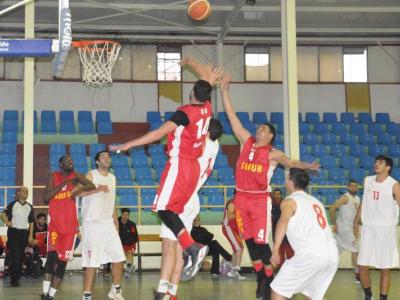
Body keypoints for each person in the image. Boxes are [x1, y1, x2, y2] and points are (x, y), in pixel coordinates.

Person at [110, 66, 223, 300]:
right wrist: (207, 79)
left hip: (182, 170)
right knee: (171, 243)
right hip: (192, 177)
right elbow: (203, 92)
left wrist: (128, 145)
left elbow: (157, 134)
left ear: (192, 93)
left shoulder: (186, 114)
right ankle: (168, 292)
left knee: (163, 210)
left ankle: (193, 248)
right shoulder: (208, 111)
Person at [219, 76, 320, 300]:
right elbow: (233, 118)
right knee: (247, 240)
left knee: (261, 242)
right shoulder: (245, 141)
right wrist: (224, 91)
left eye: (263, 129)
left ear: (270, 135)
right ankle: (262, 278)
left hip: (258, 200)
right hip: (241, 198)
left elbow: (292, 163)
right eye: (259, 128)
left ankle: (267, 278)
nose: (258, 130)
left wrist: (308, 166)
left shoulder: (273, 154)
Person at [157, 118, 223, 299]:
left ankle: (161, 292)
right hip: (192, 199)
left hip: (182, 196)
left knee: (169, 246)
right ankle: (172, 294)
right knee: (177, 249)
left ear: (206, 132)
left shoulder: (201, 145)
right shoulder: (215, 145)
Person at [270, 168, 338, 300]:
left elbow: (283, 222)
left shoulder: (289, 201)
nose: (285, 181)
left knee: (278, 289)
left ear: (291, 181)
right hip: (331, 254)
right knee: (312, 295)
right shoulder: (315, 201)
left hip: (311, 254)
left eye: (287, 178)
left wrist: (275, 249)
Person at [41, 155, 95, 300]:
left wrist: (77, 189)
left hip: (70, 228)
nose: (71, 163)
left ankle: (51, 295)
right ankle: (45, 293)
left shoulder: (76, 175)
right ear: (60, 164)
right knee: (51, 259)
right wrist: (64, 184)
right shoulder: (54, 176)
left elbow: (92, 186)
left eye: (72, 161)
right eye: (67, 161)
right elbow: (46, 198)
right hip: (54, 226)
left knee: (62, 263)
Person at [80, 151, 126, 300]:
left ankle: (115, 290)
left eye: (108, 156)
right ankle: (87, 295)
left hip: (108, 224)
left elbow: (111, 201)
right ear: (97, 161)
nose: (107, 158)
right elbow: (77, 193)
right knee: (92, 262)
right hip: (92, 224)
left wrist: (116, 221)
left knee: (119, 257)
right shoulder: (91, 175)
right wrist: (97, 189)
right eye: (103, 157)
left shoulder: (112, 178)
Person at [353, 155, 400, 300]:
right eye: (375, 162)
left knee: (385, 268)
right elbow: (364, 202)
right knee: (362, 266)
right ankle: (368, 295)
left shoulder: (394, 185)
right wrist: (356, 221)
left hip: (385, 229)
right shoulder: (367, 181)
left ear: (388, 167)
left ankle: (383, 298)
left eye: (380, 162)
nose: (376, 164)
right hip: (368, 228)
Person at [1, 187, 34, 287]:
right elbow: (2, 214)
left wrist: (31, 235)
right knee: (15, 255)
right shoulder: (13, 204)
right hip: (13, 232)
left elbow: (31, 222)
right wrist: (7, 222)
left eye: (27, 192)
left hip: (24, 234)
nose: (25, 193)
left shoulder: (29, 207)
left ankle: (15, 277)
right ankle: (13, 280)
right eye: (23, 191)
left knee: (20, 257)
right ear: (18, 193)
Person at [329, 180, 361, 282]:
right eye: (351, 186)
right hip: (344, 229)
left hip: (350, 229)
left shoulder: (358, 198)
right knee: (355, 250)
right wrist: (334, 224)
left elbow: (357, 216)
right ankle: (357, 274)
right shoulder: (345, 197)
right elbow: (332, 208)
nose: (353, 188)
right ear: (348, 187)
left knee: (335, 251)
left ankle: (322, 270)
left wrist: (358, 226)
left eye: (355, 186)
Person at [222, 199, 245, 279]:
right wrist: (241, 213)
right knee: (240, 248)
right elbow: (229, 216)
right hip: (228, 227)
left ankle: (232, 271)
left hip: (234, 229)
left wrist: (241, 231)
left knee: (237, 249)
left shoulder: (241, 202)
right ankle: (237, 270)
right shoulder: (232, 203)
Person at [271, 188, 294, 266]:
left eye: (278, 194)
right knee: (279, 249)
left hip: (286, 230)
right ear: (273, 195)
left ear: (281, 195)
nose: (277, 195)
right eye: (275, 194)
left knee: (289, 249)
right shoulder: (271, 204)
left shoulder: (285, 203)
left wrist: (276, 217)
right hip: (276, 230)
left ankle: (292, 266)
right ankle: (280, 266)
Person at [118, 208, 139, 279]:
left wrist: (134, 242)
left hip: (129, 243)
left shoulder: (131, 224)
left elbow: (135, 234)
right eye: (124, 214)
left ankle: (128, 272)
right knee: (121, 257)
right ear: (121, 214)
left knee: (129, 256)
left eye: (127, 215)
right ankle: (130, 266)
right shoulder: (116, 222)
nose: (125, 216)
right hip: (119, 243)